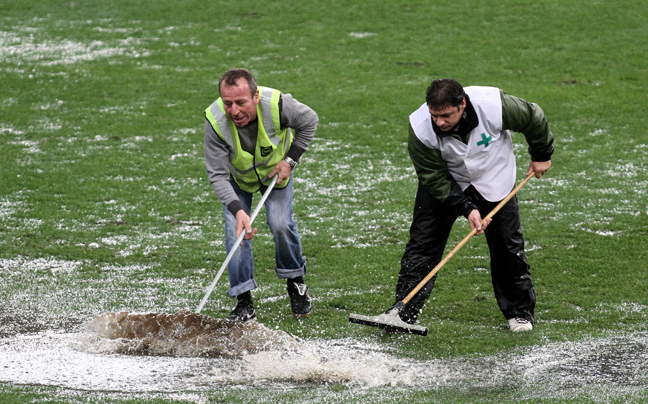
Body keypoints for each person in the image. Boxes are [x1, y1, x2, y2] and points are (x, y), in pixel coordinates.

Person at [388, 79, 553, 332]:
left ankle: (519, 313)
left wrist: (541, 155)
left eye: (446, 115)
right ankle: (403, 312)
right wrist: (467, 208)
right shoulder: (420, 128)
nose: (439, 122)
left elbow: (533, 117)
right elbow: (432, 176)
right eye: (435, 115)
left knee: (508, 246)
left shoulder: (494, 105)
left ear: (462, 104)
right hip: (445, 181)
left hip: (494, 176)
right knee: (422, 246)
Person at [204, 68, 318, 321]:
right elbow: (217, 174)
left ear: (255, 97)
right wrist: (239, 211)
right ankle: (244, 302)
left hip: (276, 174)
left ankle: (296, 282)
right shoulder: (214, 121)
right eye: (228, 103)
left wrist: (291, 160)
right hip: (238, 179)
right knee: (236, 233)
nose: (234, 111)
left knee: (280, 224)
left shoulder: (279, 105)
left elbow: (310, 120)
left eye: (241, 102)